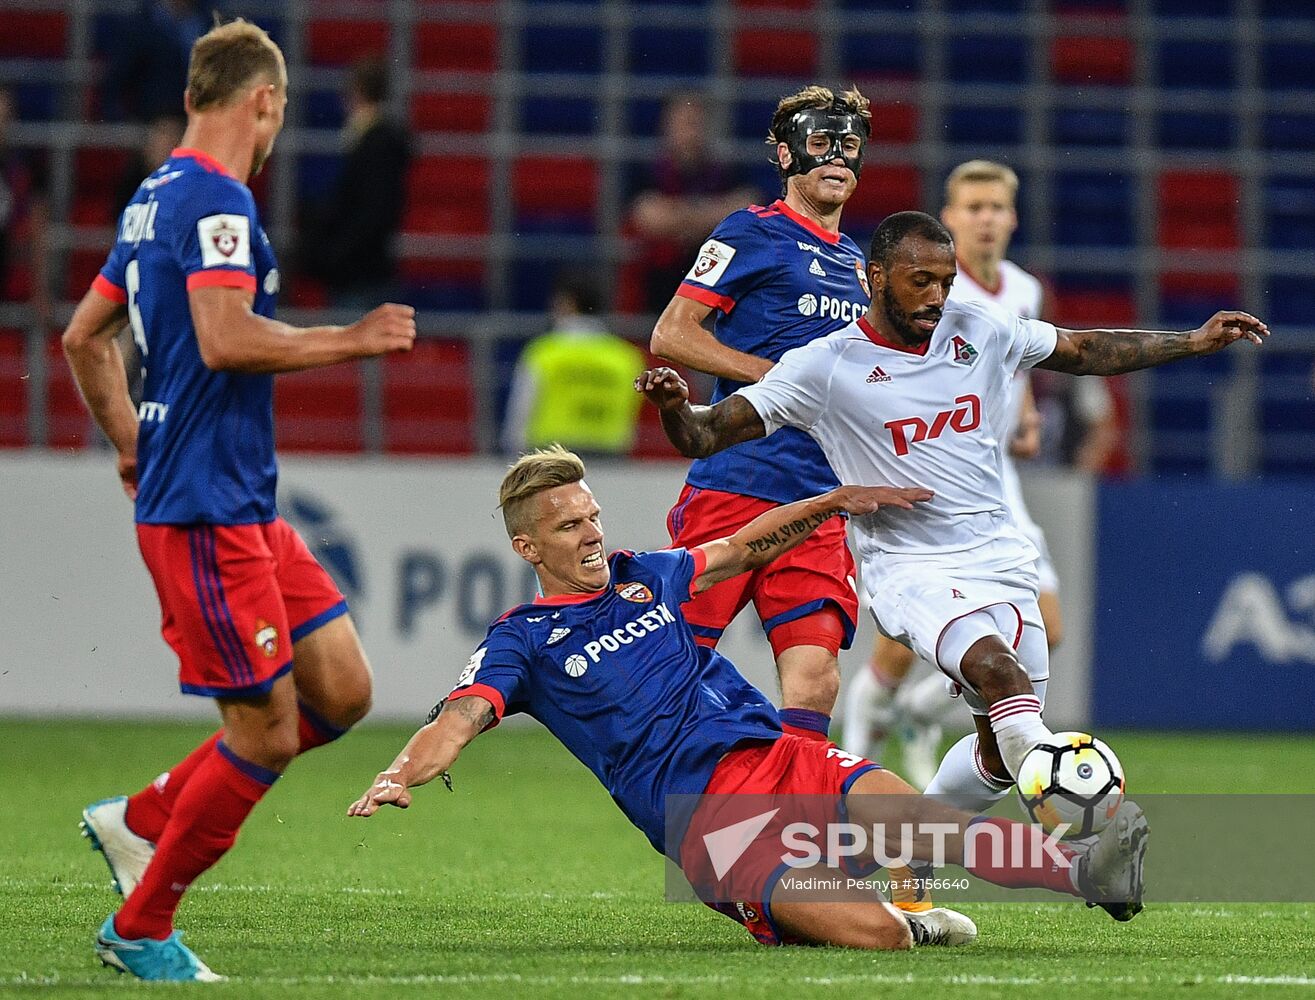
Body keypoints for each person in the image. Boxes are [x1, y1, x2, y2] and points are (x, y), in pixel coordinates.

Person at [348, 446, 1149, 950]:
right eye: (567, 527)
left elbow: (740, 547)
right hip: (709, 826)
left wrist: (829, 506)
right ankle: (876, 919)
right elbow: (457, 718)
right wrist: (401, 770)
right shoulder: (521, 639)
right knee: (876, 940)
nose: (591, 534)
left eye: (591, 516)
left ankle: (1090, 876)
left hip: (777, 756)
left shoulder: (644, 574)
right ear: (528, 547)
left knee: (928, 830)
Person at [642, 211, 1267, 818]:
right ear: (876, 277)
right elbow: (705, 435)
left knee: (998, 751)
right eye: (922, 281)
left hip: (999, 558)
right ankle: (1088, 843)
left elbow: (1081, 350)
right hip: (908, 565)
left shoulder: (979, 327)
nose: (938, 296)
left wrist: (1192, 341)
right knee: (998, 672)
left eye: (945, 281)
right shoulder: (824, 366)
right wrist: (675, 406)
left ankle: (907, 859)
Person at [62, 20, 416, 982]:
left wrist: (130, 439)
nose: (275, 131)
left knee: (341, 690)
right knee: (261, 728)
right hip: (206, 510)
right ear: (263, 102)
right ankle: (141, 925)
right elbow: (224, 339)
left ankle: (140, 819)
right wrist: (353, 336)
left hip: (238, 502)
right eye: (280, 112)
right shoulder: (218, 204)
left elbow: (83, 336)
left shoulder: (150, 200)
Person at [648, 84, 871, 746]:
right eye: (821, 142)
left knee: (815, 680)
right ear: (785, 155)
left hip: (816, 502)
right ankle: (688, 816)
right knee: (672, 673)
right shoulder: (752, 231)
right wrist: (776, 378)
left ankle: (791, 839)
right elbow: (672, 334)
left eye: (849, 145)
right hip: (734, 485)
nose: (836, 158)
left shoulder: (858, 264)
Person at [844, 160, 1059, 786]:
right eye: (973, 208)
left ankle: (917, 714)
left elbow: (1012, 364)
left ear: (1012, 218)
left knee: (1049, 629)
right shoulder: (933, 291)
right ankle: (858, 755)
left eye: (996, 207)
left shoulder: (1022, 289)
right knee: (904, 645)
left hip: (994, 483)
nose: (986, 220)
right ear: (950, 217)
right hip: (932, 475)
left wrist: (1025, 417)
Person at [628, 92, 758, 314]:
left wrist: (678, 216)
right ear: (666, 126)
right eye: (683, 123)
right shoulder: (646, 171)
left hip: (716, 280)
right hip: (661, 281)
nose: (690, 132)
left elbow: (746, 210)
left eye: (695, 123)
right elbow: (648, 218)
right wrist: (709, 217)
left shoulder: (727, 171)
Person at [297, 56, 411, 307]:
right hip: (359, 272)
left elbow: (374, 212)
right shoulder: (371, 140)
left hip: (361, 276)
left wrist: (335, 255)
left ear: (357, 91)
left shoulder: (377, 144)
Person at [501, 272, 647, 456]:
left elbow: (522, 409)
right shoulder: (626, 357)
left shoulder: (545, 352)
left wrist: (514, 452)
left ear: (567, 303)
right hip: (609, 454)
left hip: (553, 453)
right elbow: (631, 412)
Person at [0, 85, 51, 327]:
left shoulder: (22, 168)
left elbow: (38, 228)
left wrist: (40, 288)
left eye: (3, 117)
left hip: (9, 271)